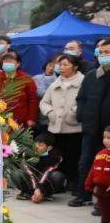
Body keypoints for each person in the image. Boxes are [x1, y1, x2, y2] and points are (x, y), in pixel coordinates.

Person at [73, 38, 110, 209]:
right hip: (91, 128)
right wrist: (82, 116)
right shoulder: (91, 76)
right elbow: (81, 99)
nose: (103, 56)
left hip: (108, 131)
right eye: (101, 53)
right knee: (86, 162)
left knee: (106, 166)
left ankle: (103, 203)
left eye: (107, 52)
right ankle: (83, 194)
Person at [39, 54, 84, 192]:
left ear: (75, 66)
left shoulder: (83, 81)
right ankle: (58, 183)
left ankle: (75, 183)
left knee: (74, 157)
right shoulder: (55, 83)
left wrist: (73, 113)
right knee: (58, 157)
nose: (61, 68)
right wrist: (50, 113)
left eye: (65, 65)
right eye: (60, 65)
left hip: (74, 128)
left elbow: (85, 102)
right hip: (55, 127)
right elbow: (44, 102)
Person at [0, 51, 38, 129]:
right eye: (5, 61)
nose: (7, 63)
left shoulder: (27, 80)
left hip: (19, 122)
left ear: (18, 63)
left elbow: (33, 100)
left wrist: (31, 118)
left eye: (10, 61)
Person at [18, 133, 65, 202]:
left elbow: (47, 172)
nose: (37, 147)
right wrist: (36, 189)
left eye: (41, 145)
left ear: (49, 148)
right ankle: (26, 192)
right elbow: (29, 172)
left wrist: (39, 189)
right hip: (31, 180)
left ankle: (46, 194)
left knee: (58, 176)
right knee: (18, 173)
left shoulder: (56, 156)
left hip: (45, 180)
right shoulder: (27, 153)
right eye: (36, 144)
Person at [85, 126, 110, 223]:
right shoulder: (101, 153)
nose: (106, 140)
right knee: (104, 205)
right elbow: (93, 169)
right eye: (105, 137)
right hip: (101, 187)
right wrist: (89, 183)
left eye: (109, 138)